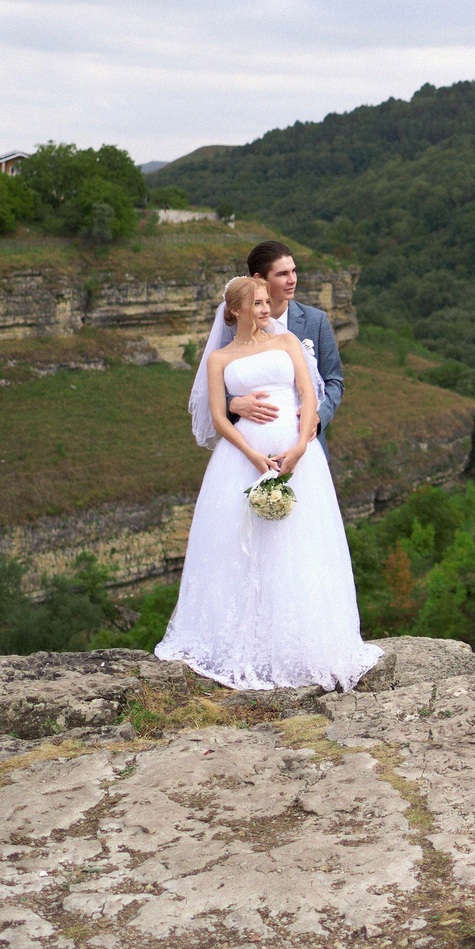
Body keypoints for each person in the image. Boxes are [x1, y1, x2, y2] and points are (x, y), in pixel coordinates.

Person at [157, 275, 381, 691]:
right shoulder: (219, 359)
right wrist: (252, 455)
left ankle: (301, 642)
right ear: (235, 310)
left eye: (266, 302)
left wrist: (299, 446)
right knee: (242, 547)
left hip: (297, 454)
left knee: (299, 544)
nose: (265, 309)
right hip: (243, 459)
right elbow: (219, 416)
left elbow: (308, 394)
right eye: (257, 303)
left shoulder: (287, 341)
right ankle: (246, 642)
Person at [222, 240, 341, 441]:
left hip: (305, 438)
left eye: (293, 271)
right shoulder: (235, 325)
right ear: (259, 278)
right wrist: (232, 403)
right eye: (282, 274)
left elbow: (334, 380)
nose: (292, 280)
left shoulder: (315, 320)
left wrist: (318, 417)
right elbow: (215, 385)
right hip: (249, 440)